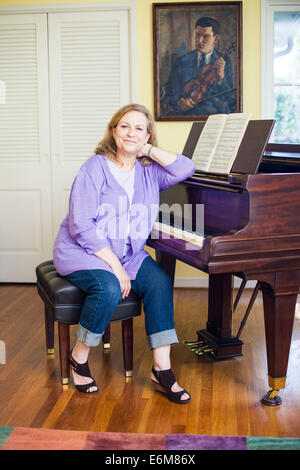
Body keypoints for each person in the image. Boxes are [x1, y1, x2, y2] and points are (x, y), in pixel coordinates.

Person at [53, 103, 195, 403]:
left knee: (159, 281)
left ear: (147, 135)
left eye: (139, 128)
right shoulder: (94, 168)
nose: (131, 133)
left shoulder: (149, 171)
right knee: (107, 287)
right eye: (125, 126)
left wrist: (149, 150)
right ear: (113, 130)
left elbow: (186, 168)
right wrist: (116, 267)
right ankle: (78, 358)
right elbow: (81, 226)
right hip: (84, 251)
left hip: (128, 253)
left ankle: (162, 369)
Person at [164, 16, 235, 116]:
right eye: (197, 35)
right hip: (186, 117)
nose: (199, 40)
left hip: (214, 117)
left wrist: (221, 78)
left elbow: (230, 98)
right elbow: (170, 94)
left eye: (205, 36)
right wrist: (179, 103)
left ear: (216, 39)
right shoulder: (180, 62)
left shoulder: (225, 62)